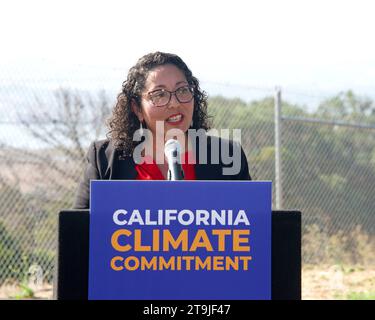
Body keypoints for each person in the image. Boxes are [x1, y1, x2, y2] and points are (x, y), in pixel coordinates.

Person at [73, 52, 251, 209]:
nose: (174, 103)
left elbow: (251, 229)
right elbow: (80, 234)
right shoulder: (105, 159)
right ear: (137, 108)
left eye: (182, 90)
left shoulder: (227, 156)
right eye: (159, 95)